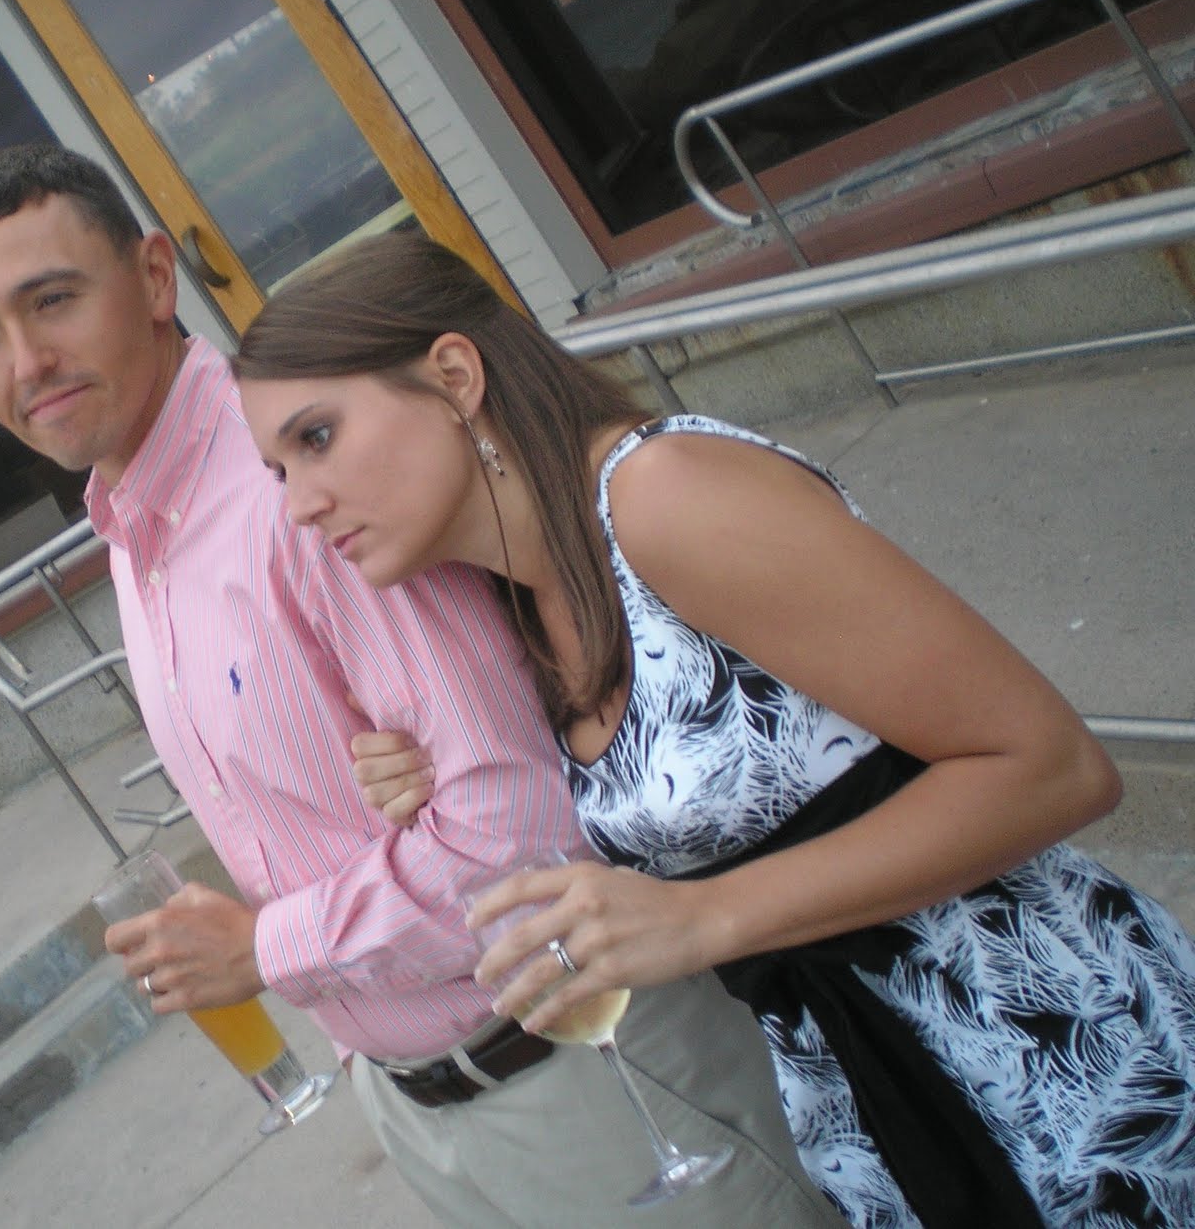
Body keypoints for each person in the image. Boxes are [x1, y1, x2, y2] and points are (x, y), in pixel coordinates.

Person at [0, 144, 841, 1228]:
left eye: (52, 300)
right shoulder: (133, 528)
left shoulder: (295, 476)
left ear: (155, 277)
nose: (26, 361)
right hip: (424, 1108)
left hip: (586, 1074)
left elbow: (517, 831)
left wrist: (264, 948)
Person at [233, 231, 1195, 1228]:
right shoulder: (524, 601)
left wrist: (706, 916)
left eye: (316, 437)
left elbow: (1052, 765)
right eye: (276, 469)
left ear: (453, 376)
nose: (299, 505)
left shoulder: (665, 495)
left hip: (1057, 1055)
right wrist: (437, 771)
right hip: (868, 1094)